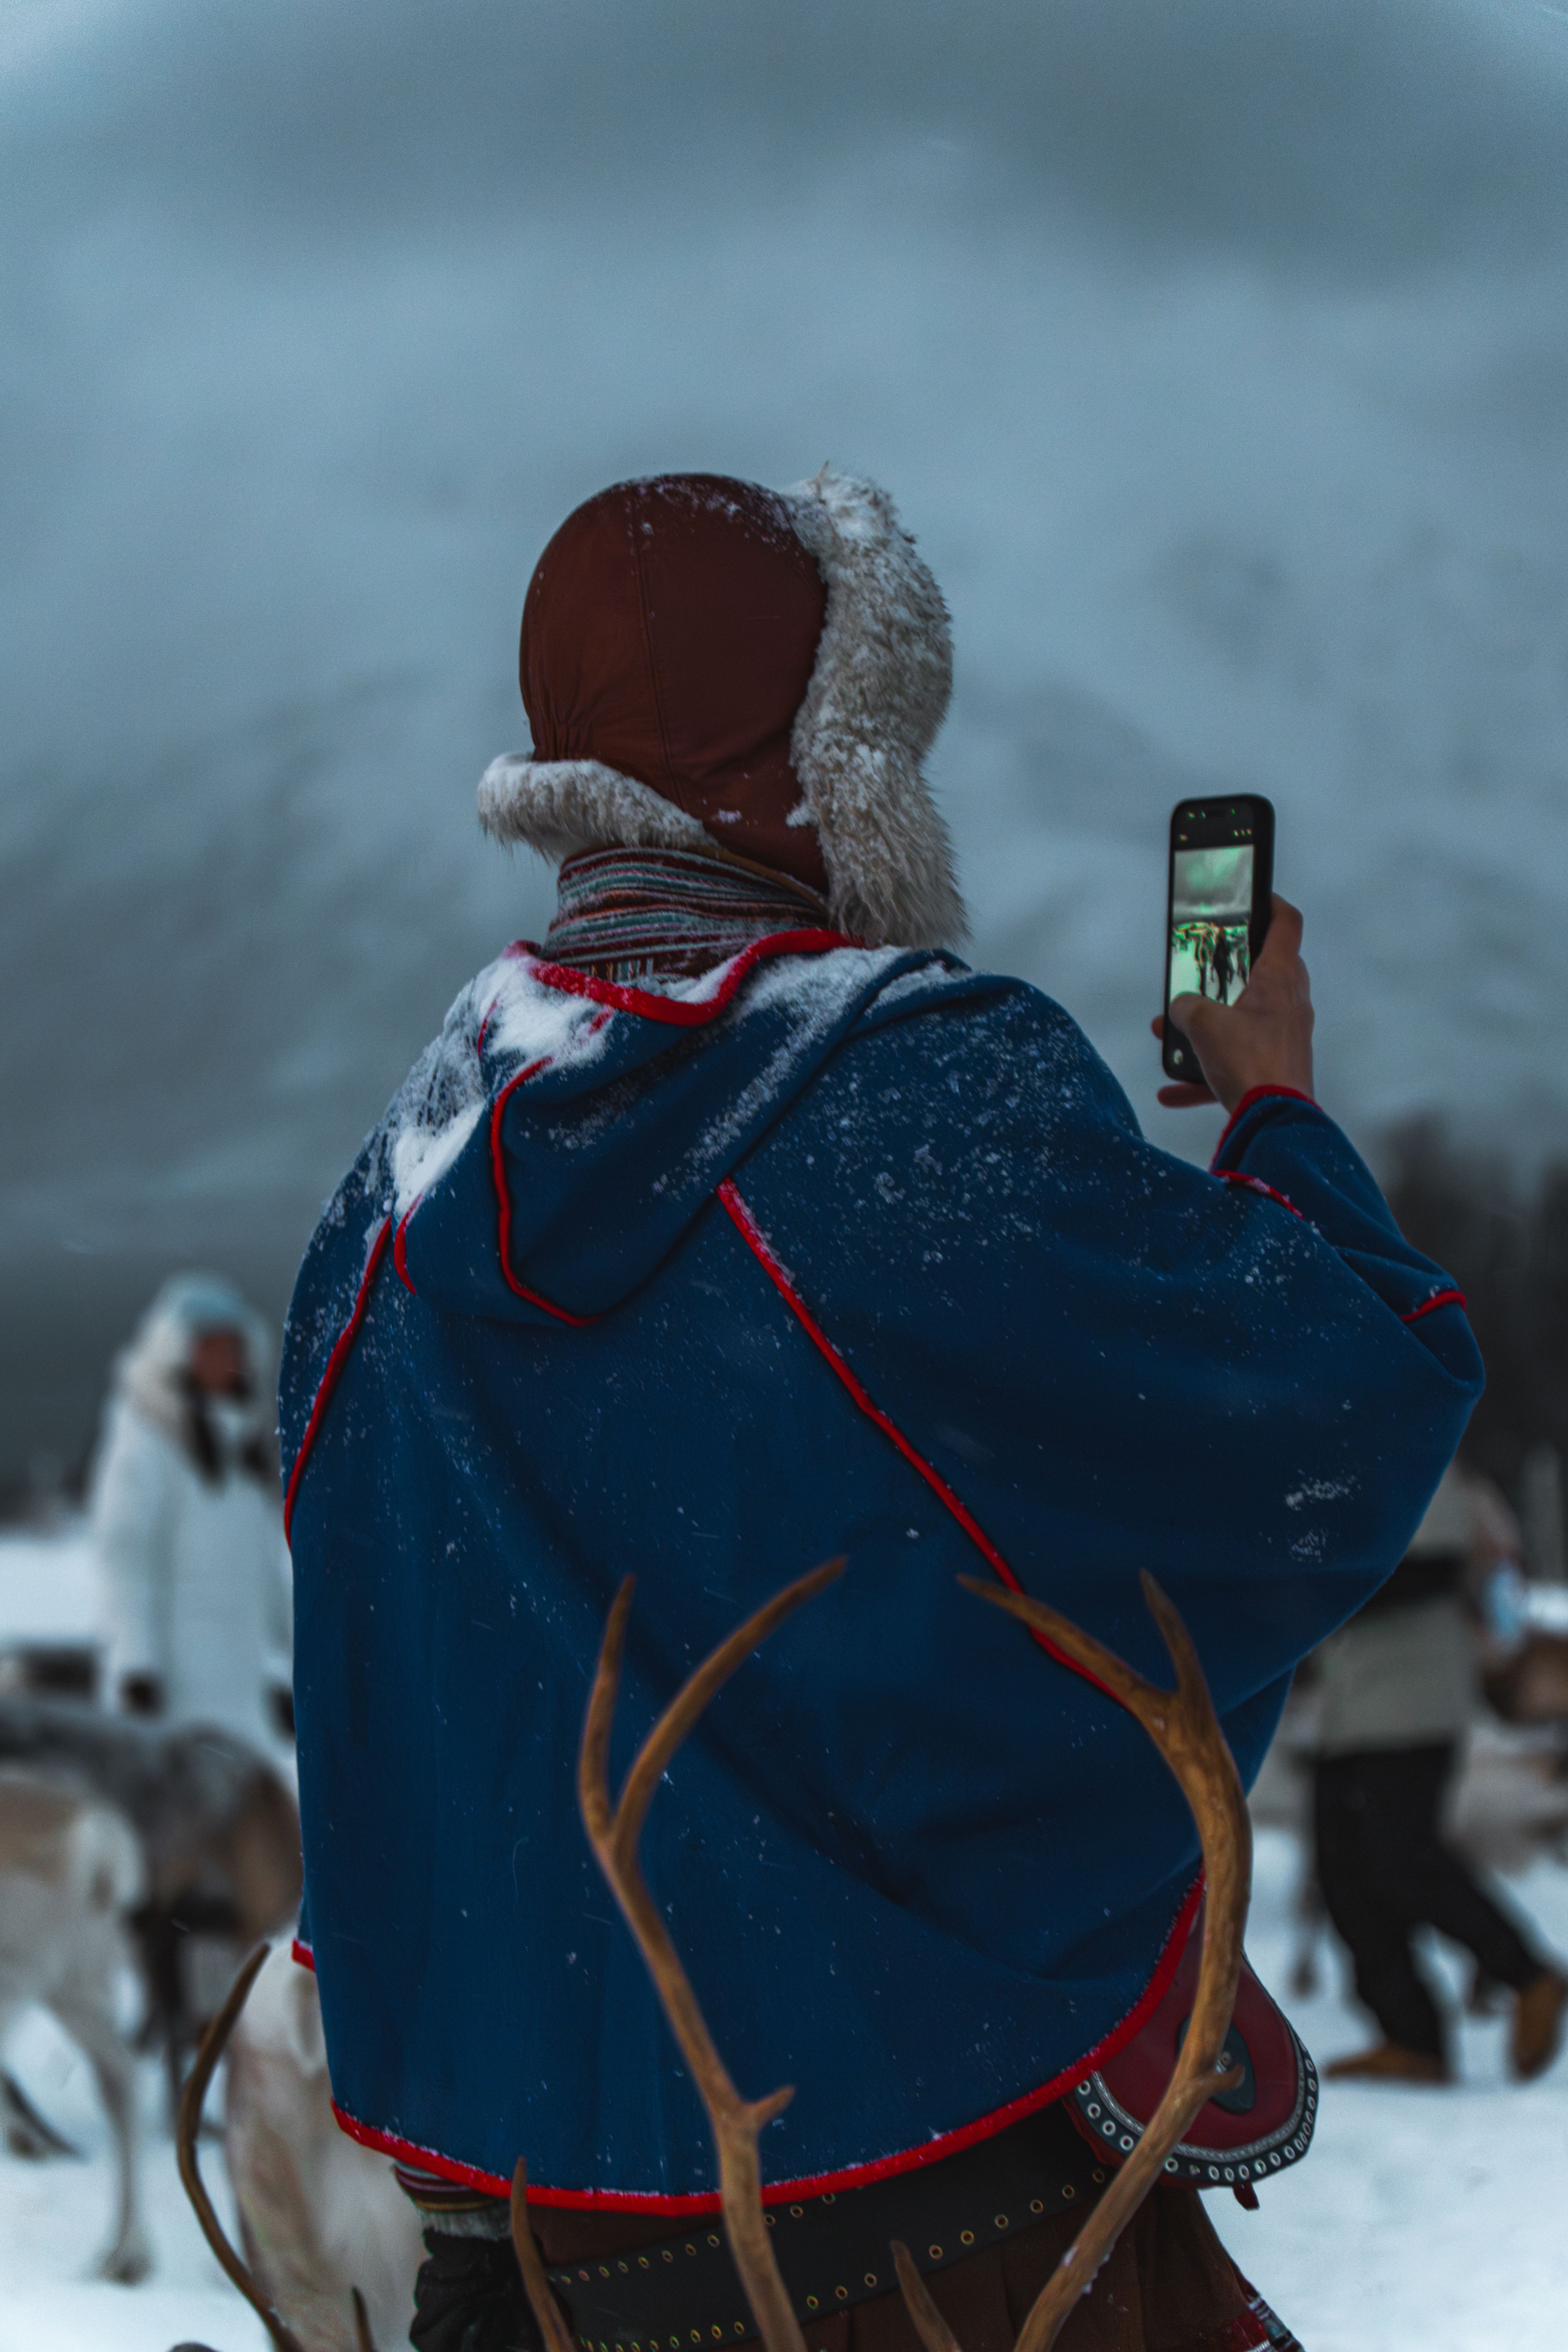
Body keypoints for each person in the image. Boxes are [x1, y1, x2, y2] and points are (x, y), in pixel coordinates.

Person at [280, 471, 1482, 2352]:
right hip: (941, 2247)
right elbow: (1334, 1406)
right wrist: (1272, 1102)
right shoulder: (906, 1104)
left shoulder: (388, 1211)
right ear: (836, 756)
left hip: (516, 2270)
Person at [1313, 1458, 1568, 2085]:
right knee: (1345, 1873)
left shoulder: (1421, 1462)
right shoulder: (1336, 1472)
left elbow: (1432, 1569)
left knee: (1405, 1863)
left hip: (1413, 1705)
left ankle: (1526, 1974)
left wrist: (1315, 1582)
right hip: (1347, 1709)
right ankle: (1412, 2037)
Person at [92, 1272, 293, 1756]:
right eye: (210, 1346)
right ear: (177, 1350)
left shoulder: (242, 1445)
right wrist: (135, 1669)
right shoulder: (148, 1438)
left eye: (233, 1346)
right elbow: (127, 1558)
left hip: (242, 1688)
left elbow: (269, 1573)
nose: (226, 1359)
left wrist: (292, 1666)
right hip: (174, 1688)